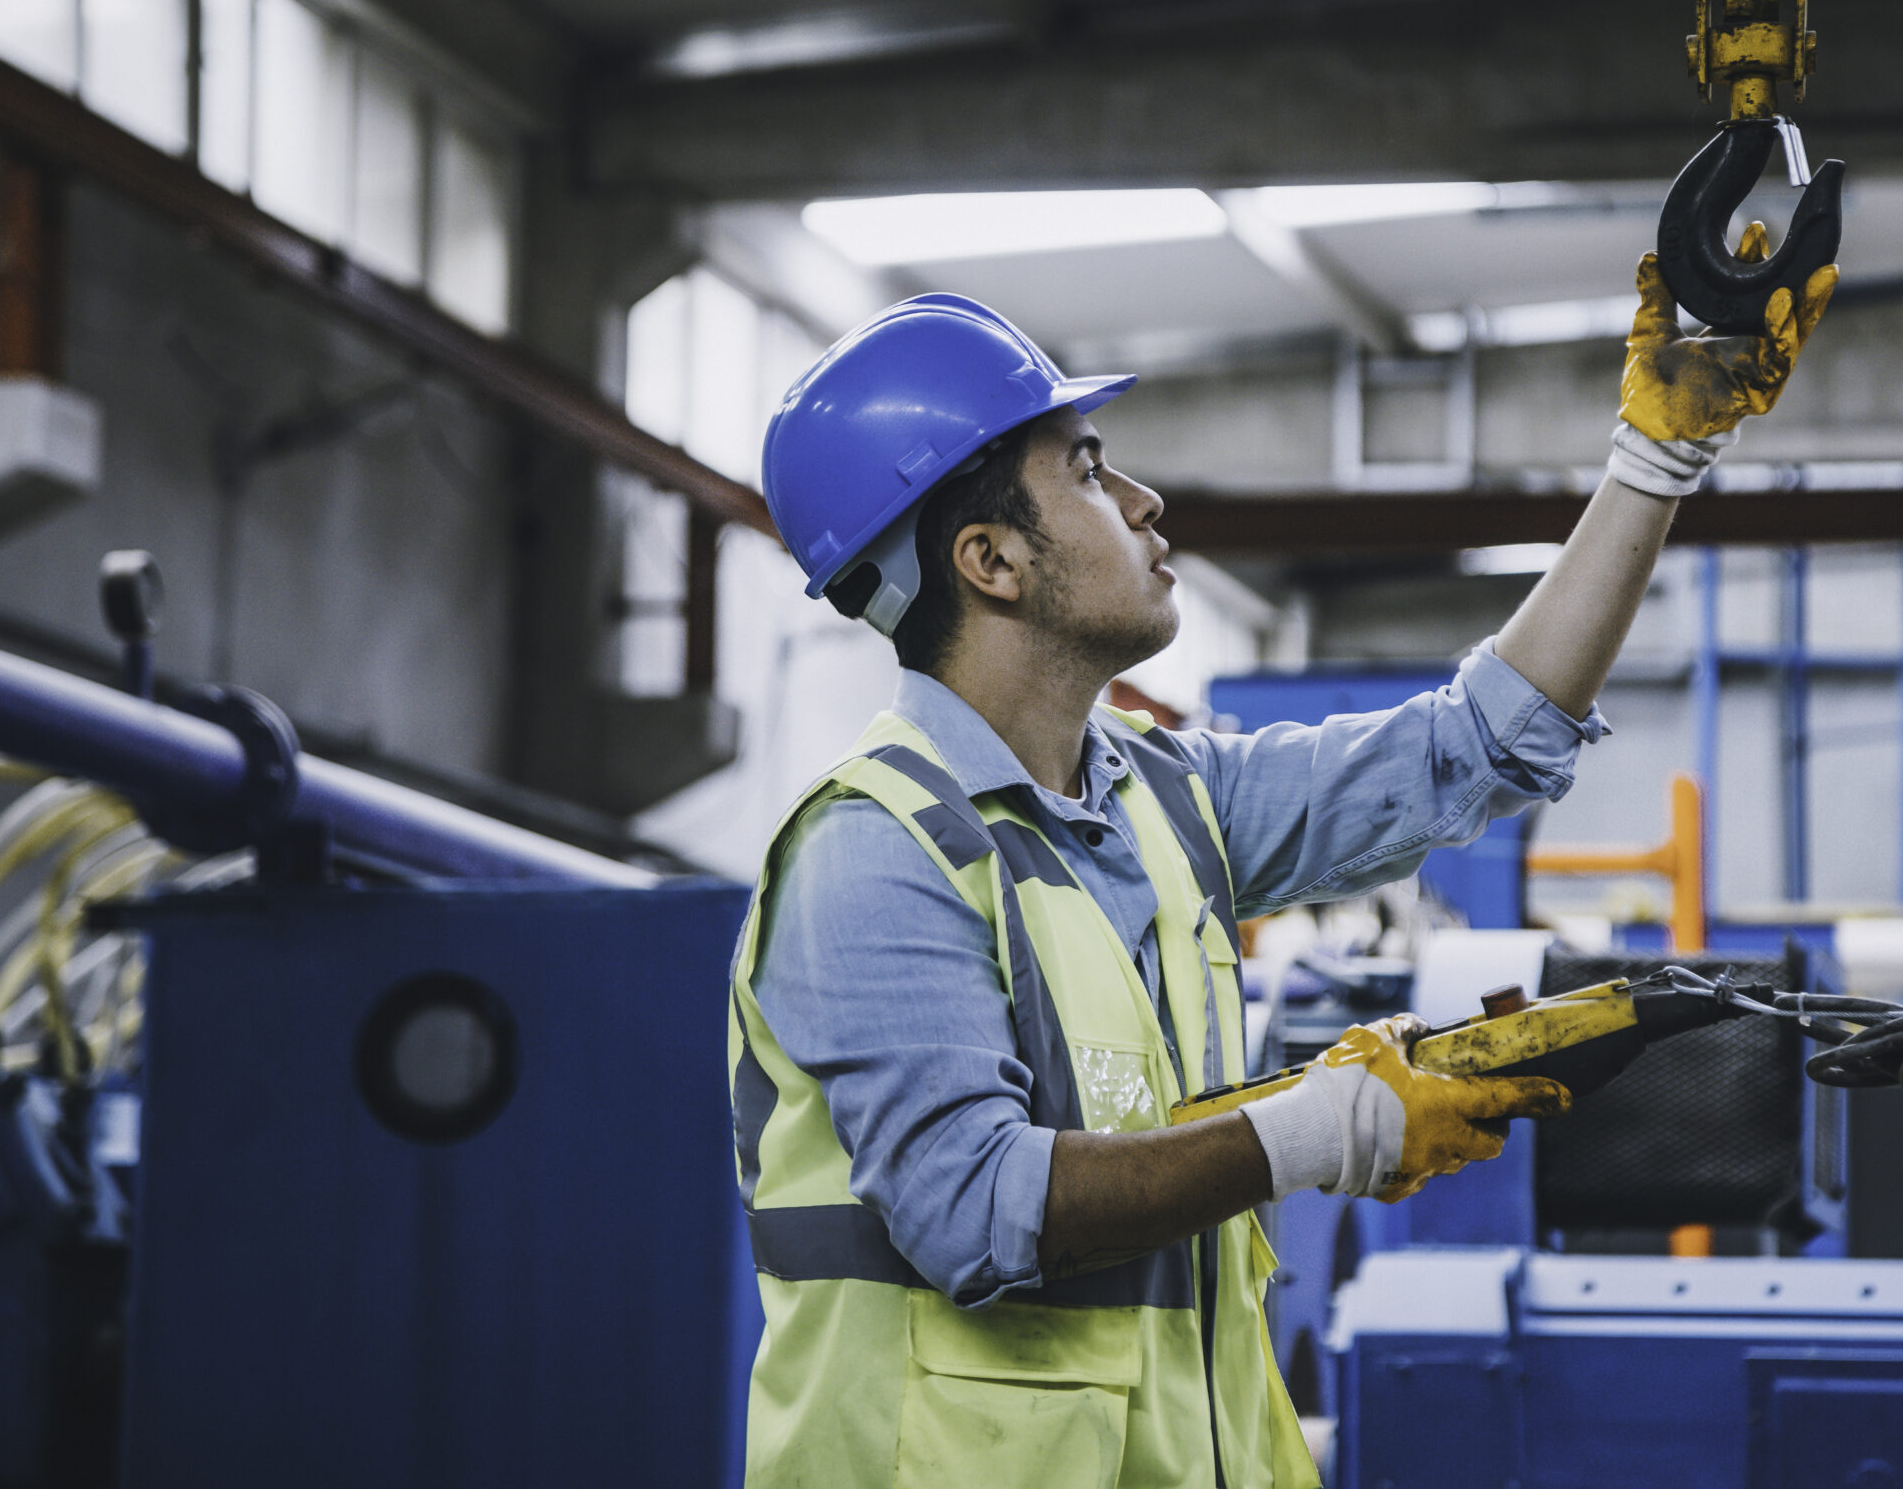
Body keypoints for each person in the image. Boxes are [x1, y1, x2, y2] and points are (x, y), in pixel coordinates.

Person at [729, 231, 1835, 1488]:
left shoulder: (1163, 799)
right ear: (989, 561)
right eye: (1089, 472)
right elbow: (976, 1213)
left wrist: (1658, 453)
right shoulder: (876, 848)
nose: (1145, 504)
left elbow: (1473, 746)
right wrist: (1328, 1121)